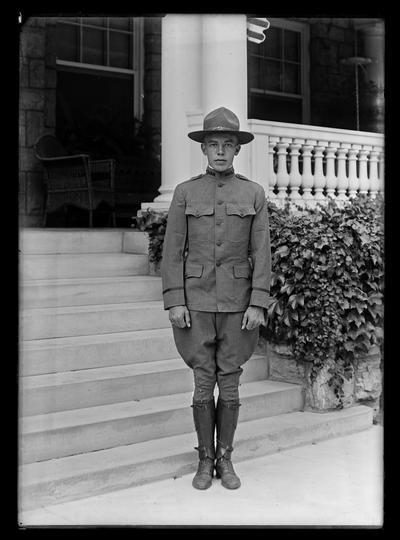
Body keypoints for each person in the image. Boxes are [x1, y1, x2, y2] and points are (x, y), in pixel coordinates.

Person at [161, 107, 272, 490]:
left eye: (228, 144)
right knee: (203, 383)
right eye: (214, 145)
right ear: (204, 150)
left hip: (239, 305)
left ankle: (226, 458)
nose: (221, 152)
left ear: (237, 150)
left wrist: (258, 301)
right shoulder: (185, 193)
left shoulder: (253, 193)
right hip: (196, 303)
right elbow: (172, 251)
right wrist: (175, 300)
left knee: (231, 383)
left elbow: (262, 251)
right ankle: (204, 460)